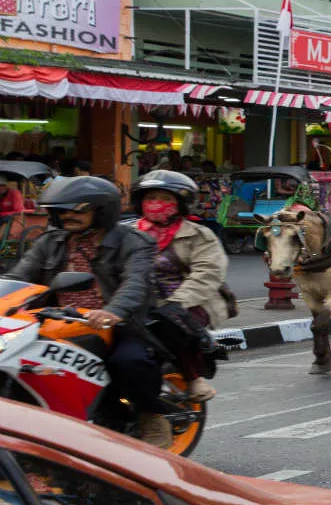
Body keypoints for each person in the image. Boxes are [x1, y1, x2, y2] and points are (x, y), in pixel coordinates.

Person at [3, 177, 171, 445]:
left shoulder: (135, 242)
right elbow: (20, 275)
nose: (68, 216)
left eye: (77, 209)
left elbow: (135, 282)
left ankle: (150, 417)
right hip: (58, 321)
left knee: (128, 362)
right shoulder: (51, 241)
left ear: (102, 209)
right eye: (62, 210)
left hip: (116, 324)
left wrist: (112, 311)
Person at [130, 170, 230, 402]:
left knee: (170, 323)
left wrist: (175, 303)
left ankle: (193, 377)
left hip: (192, 299)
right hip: (138, 301)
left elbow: (208, 273)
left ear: (181, 204)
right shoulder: (127, 233)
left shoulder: (199, 234)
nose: (157, 204)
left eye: (165, 199)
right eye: (151, 198)